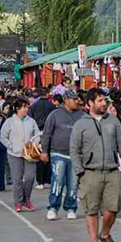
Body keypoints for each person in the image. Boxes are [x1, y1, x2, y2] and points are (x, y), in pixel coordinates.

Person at [71, 87, 121, 242]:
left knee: (113, 208)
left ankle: (105, 233)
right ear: (89, 103)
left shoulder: (113, 121)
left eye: (104, 100)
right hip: (90, 172)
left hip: (112, 171)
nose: (104, 103)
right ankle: (94, 241)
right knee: (91, 209)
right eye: (99, 100)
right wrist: (80, 172)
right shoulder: (81, 124)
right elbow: (74, 149)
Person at [41, 91, 85, 220]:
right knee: (58, 180)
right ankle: (53, 207)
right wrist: (44, 151)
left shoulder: (82, 116)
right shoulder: (54, 115)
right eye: (73, 99)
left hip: (76, 155)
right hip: (58, 153)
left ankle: (71, 207)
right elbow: (47, 133)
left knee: (73, 183)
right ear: (66, 100)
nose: (77, 101)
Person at [1, 97, 41, 212]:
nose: (26, 109)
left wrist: (34, 143)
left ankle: (26, 199)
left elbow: (37, 134)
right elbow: (3, 137)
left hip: (29, 153)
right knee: (17, 179)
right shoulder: (10, 122)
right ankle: (18, 201)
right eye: (23, 107)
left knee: (30, 177)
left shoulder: (31, 121)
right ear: (17, 108)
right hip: (14, 154)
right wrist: (12, 146)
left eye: (26, 107)